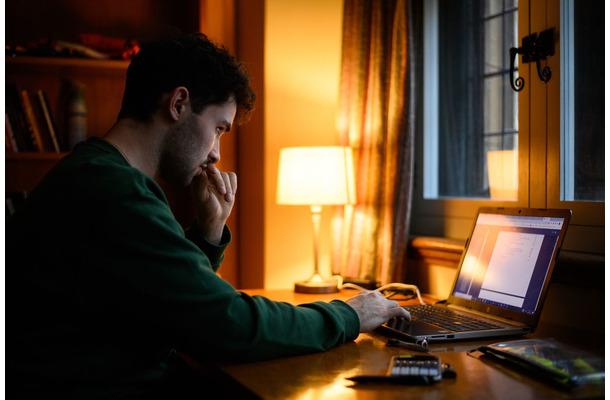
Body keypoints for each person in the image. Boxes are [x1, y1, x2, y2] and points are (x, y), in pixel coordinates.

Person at [6, 33, 410, 399]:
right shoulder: (116, 191)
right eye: (218, 128)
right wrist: (348, 314)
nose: (216, 152)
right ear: (178, 103)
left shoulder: (97, 171)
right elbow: (225, 323)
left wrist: (206, 231)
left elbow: (168, 299)